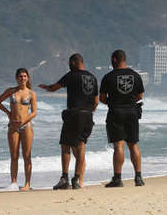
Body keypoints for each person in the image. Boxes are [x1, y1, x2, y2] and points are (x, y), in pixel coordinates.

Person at [39, 53, 99, 190]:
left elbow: (54, 87)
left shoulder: (71, 75)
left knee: (66, 146)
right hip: (88, 115)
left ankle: (65, 178)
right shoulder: (93, 77)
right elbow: (96, 101)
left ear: (73, 63)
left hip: (74, 114)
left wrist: (46, 87)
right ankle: (77, 180)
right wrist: (89, 112)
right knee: (81, 147)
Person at [100, 49, 146, 187]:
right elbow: (140, 96)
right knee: (133, 144)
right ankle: (138, 177)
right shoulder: (136, 75)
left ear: (114, 59)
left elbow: (102, 98)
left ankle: (118, 178)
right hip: (132, 112)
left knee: (119, 145)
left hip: (116, 112)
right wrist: (129, 102)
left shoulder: (108, 77)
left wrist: (114, 102)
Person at [0, 68, 37, 191]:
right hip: (13, 126)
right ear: (16, 78)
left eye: (24, 76)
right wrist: (8, 113)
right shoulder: (11, 91)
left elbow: (34, 112)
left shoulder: (31, 94)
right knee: (14, 155)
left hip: (26, 126)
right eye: (20, 76)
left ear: (27, 78)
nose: (22, 78)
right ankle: (13, 182)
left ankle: (27, 183)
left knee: (27, 155)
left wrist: (24, 121)